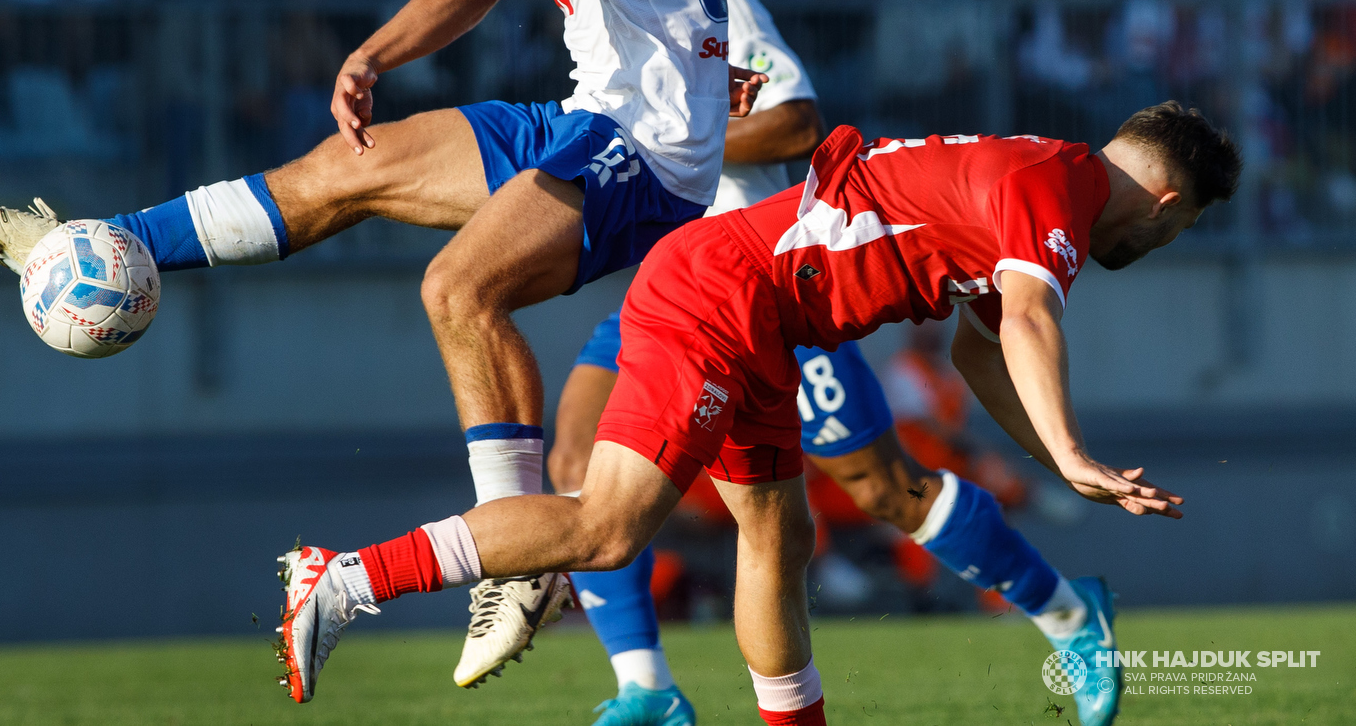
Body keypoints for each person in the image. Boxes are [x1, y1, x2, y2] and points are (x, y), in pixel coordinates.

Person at [0, 0, 763, 689]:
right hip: (595, 116)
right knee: (347, 168)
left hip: (646, 149)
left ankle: (510, 568)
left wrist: (373, 50)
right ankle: (107, 238)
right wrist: (696, 16)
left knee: (458, 289)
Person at [274, 102, 1241, 726]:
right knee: (606, 529)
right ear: (1163, 201)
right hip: (723, 295)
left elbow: (983, 349)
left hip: (769, 320)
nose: (1164, 239)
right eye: (1182, 226)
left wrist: (1063, 461)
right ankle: (346, 579)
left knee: (781, 537)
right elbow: (1027, 317)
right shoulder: (1056, 190)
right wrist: (1072, 452)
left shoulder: (1037, 179)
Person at [551, 0, 825, 724]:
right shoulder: (621, 16)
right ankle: (647, 689)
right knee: (573, 462)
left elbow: (796, 121)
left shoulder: (725, 9)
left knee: (836, 498)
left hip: (747, 283)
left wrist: (699, 133)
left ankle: (1062, 610)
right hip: (669, 286)